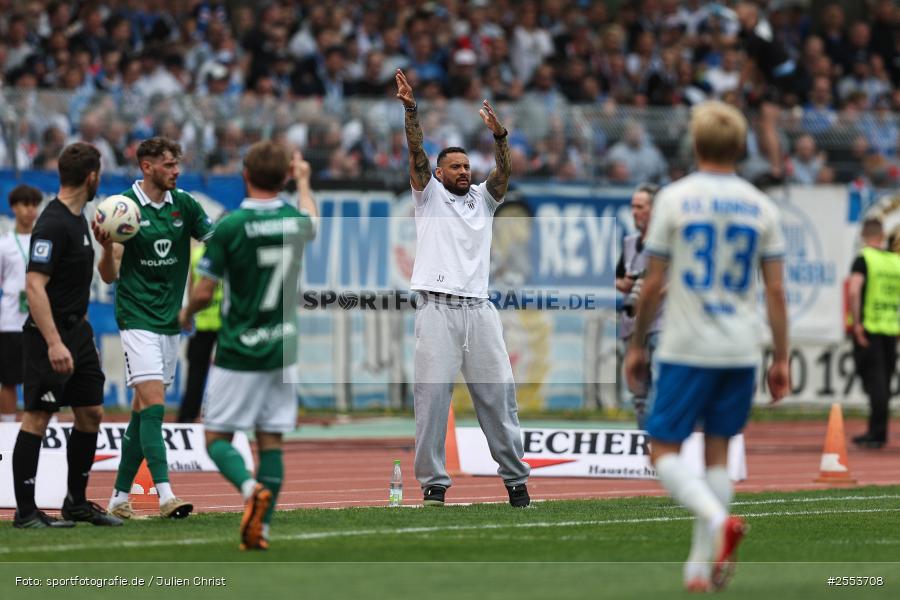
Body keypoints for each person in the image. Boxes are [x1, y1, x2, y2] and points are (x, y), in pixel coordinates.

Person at [624, 101, 790, 592]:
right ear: (741, 147)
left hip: (685, 345)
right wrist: (780, 358)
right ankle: (699, 571)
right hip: (740, 348)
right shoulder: (763, 206)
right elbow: (776, 292)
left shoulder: (674, 199)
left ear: (695, 145)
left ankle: (719, 525)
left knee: (662, 449)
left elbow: (653, 285)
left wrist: (636, 345)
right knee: (718, 455)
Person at [395, 68, 531, 507]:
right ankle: (434, 485)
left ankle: (516, 482)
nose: (462, 171)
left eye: (466, 166)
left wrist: (501, 137)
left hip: (480, 310)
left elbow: (503, 175)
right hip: (437, 308)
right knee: (432, 400)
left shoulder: (483, 199)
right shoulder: (428, 195)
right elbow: (416, 151)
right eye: (454, 166)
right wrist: (411, 110)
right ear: (436, 173)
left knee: (499, 397)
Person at [179, 142, 318, 550]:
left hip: (239, 351)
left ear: (245, 174)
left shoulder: (231, 225)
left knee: (217, 439)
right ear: (287, 177)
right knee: (270, 441)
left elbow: (205, 292)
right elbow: (310, 213)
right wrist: (305, 183)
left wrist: (185, 314)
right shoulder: (295, 220)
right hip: (282, 349)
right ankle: (263, 528)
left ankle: (247, 489)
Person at [95, 137, 214, 520]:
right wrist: (105, 248)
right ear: (146, 167)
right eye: (167, 164)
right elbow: (109, 275)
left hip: (169, 320)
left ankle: (117, 498)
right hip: (136, 317)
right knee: (156, 407)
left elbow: (215, 243)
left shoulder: (185, 205)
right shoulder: (122, 209)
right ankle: (166, 495)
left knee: (141, 410)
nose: (176, 170)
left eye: (177, 163)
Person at [12, 143, 123, 528]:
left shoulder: (81, 219)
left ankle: (75, 502)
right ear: (91, 176)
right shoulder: (53, 222)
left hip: (79, 332)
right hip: (49, 336)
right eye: (100, 174)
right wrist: (55, 341)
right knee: (38, 417)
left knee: (91, 412)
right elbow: (34, 285)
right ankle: (25, 512)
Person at [847, 217, 900, 450]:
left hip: (870, 328)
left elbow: (854, 291)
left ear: (864, 236)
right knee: (884, 382)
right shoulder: (894, 262)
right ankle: (877, 430)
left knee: (873, 381)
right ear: (882, 235)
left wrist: (856, 323)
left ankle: (877, 433)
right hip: (891, 329)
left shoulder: (864, 259)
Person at [615, 183, 662, 429]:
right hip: (631, 326)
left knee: (659, 385)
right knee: (638, 392)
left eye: (640, 207)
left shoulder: (666, 244)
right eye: (633, 207)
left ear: (654, 210)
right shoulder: (630, 242)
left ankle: (659, 441)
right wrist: (627, 284)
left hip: (658, 324)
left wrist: (650, 289)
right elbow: (620, 278)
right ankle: (645, 443)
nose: (635, 212)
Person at [0, 185, 42, 423]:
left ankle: (44, 425)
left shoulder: (44, 240)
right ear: (14, 208)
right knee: (8, 379)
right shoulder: (4, 244)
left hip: (40, 321)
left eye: (34, 205)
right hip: (10, 321)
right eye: (25, 204)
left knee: (42, 378)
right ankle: (6, 428)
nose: (30, 210)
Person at [178, 243, 224, 423]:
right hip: (223, 324)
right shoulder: (231, 253)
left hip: (203, 322)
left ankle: (187, 419)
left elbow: (193, 288)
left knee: (196, 374)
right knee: (226, 374)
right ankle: (222, 418)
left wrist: (188, 312)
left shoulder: (198, 254)